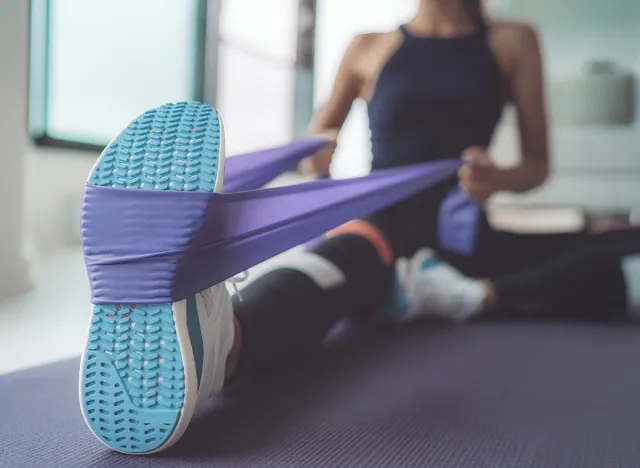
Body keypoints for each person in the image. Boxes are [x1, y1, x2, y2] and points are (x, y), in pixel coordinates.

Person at [80, 0, 640, 454]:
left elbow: (538, 166)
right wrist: (315, 155)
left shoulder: (513, 39)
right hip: (383, 219)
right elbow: (320, 139)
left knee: (623, 242)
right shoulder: (368, 46)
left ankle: (468, 295)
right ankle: (226, 342)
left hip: (465, 233)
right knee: (340, 265)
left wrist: (497, 178)